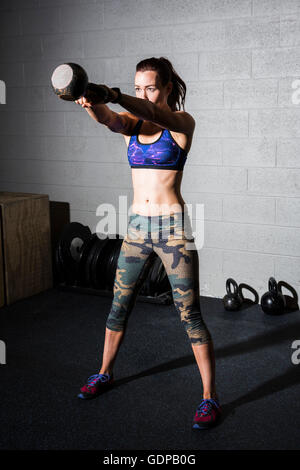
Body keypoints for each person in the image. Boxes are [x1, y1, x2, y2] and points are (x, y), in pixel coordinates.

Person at [75, 57, 221, 429]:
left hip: (173, 228)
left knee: (189, 314)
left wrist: (116, 95)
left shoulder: (182, 124)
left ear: (167, 87)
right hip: (137, 227)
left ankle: (209, 398)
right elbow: (112, 120)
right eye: (138, 88)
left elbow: (156, 114)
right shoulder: (132, 126)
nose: (143, 94)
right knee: (118, 304)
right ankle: (104, 372)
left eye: (150, 87)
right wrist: (93, 104)